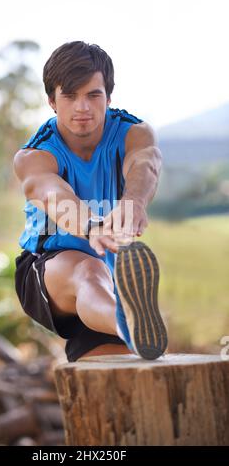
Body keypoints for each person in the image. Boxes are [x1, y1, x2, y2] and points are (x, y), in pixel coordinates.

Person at [13, 41, 168, 362]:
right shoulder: (35, 154)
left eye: (93, 95)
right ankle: (129, 324)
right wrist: (92, 226)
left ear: (109, 97)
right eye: (70, 96)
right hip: (47, 268)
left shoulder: (133, 133)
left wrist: (135, 201)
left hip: (107, 283)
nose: (82, 107)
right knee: (87, 271)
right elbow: (53, 195)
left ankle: (130, 326)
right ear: (52, 101)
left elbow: (145, 165)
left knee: (122, 380)